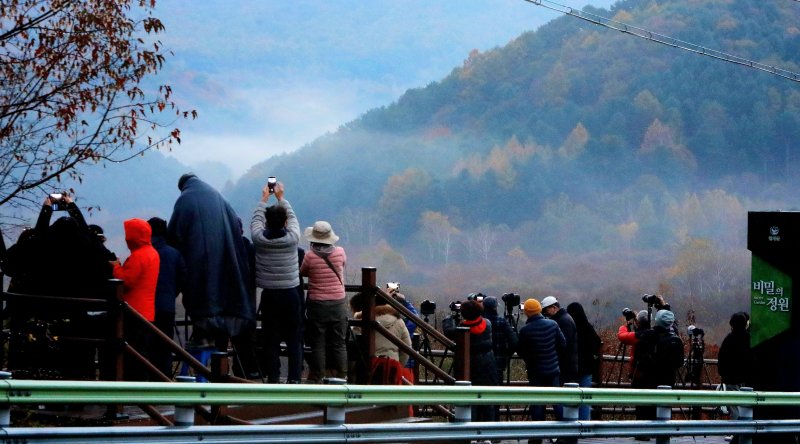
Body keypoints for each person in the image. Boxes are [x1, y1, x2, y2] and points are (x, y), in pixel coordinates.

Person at [167, 173, 255, 353]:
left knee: (205, 316)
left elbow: (174, 237)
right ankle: (221, 370)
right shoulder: (219, 198)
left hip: (200, 270)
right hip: (227, 272)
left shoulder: (185, 200)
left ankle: (205, 367)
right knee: (220, 323)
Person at [250, 180, 304, 383]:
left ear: (266, 222)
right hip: (291, 293)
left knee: (270, 339)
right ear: (284, 223)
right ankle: (295, 379)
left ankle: (273, 377)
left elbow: (255, 222)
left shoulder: (259, 240)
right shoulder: (292, 239)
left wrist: (264, 199)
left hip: (270, 294)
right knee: (294, 338)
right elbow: (293, 218)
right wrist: (281, 197)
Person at [111, 218, 160, 380]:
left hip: (133, 311)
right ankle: (142, 392)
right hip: (146, 312)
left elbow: (126, 280)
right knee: (141, 354)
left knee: (132, 355)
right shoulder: (152, 253)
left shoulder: (138, 256)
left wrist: (116, 267)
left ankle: (134, 390)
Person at [300, 220, 348, 382]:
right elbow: (343, 265)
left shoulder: (310, 256)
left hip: (317, 305)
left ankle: (319, 377)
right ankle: (342, 377)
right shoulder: (340, 252)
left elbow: (303, 272)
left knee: (318, 344)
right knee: (339, 343)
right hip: (338, 303)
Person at [443, 299, 499, 422]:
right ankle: (488, 434)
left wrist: (448, 319)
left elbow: (447, 331)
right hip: (489, 365)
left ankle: (470, 430)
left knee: (470, 399)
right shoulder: (488, 324)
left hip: (470, 367)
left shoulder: (463, 329)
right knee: (488, 401)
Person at [147, 217, 186, 378]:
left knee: (147, 345)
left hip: (145, 308)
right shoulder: (174, 253)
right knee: (165, 346)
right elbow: (183, 278)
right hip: (167, 306)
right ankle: (164, 380)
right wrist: (172, 293)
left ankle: (146, 380)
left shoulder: (145, 252)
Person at [517, 298, 565, 429]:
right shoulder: (553, 324)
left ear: (526, 312)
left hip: (535, 371)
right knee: (557, 401)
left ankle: (537, 433)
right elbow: (562, 343)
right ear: (539, 309)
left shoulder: (525, 330)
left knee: (537, 402)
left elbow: (521, 351)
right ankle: (566, 431)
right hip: (553, 369)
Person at [632, 309, 685, 425]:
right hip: (668, 380)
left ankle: (643, 433)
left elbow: (638, 356)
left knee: (645, 405)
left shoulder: (647, 335)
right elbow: (680, 362)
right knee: (664, 407)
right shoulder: (675, 339)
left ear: (656, 321)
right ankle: (663, 432)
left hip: (648, 379)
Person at [351, 292, 412, 385]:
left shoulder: (360, 322)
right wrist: (398, 365)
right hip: (392, 367)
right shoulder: (399, 321)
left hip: (367, 369)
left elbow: (353, 349)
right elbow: (407, 348)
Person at [566, 301, 602, 420]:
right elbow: (597, 343)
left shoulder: (569, 327)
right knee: (585, 399)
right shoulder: (587, 327)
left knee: (569, 399)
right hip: (587, 368)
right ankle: (584, 425)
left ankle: (571, 424)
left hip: (571, 369)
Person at [718, 311, 753, 428]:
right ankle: (745, 431)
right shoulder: (751, 338)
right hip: (748, 378)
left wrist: (723, 374)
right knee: (747, 405)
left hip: (731, 378)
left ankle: (736, 431)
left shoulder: (729, 339)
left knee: (734, 406)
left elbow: (722, 358)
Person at [482, 296, 518, 384]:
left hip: (481, 364)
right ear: (495, 308)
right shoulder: (502, 322)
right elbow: (514, 342)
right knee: (497, 389)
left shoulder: (480, 322)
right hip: (498, 363)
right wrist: (507, 355)